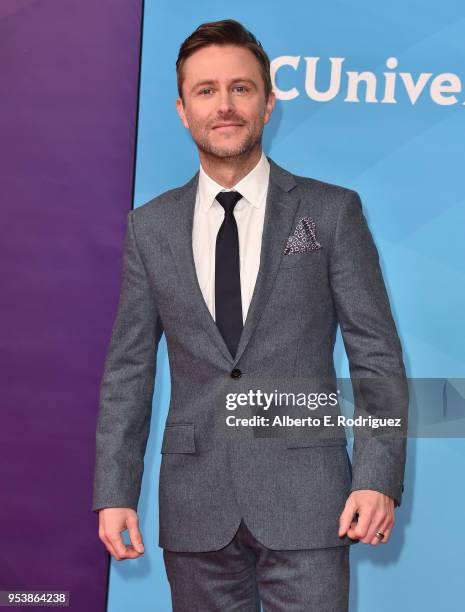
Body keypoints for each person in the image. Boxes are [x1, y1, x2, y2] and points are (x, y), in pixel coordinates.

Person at [92, 18, 408, 611]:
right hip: (195, 508)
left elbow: (377, 357)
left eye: (241, 88)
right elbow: (128, 370)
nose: (225, 105)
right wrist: (115, 490)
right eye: (206, 91)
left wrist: (377, 476)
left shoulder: (332, 212)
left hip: (312, 501)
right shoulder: (149, 227)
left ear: (268, 101)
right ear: (183, 110)